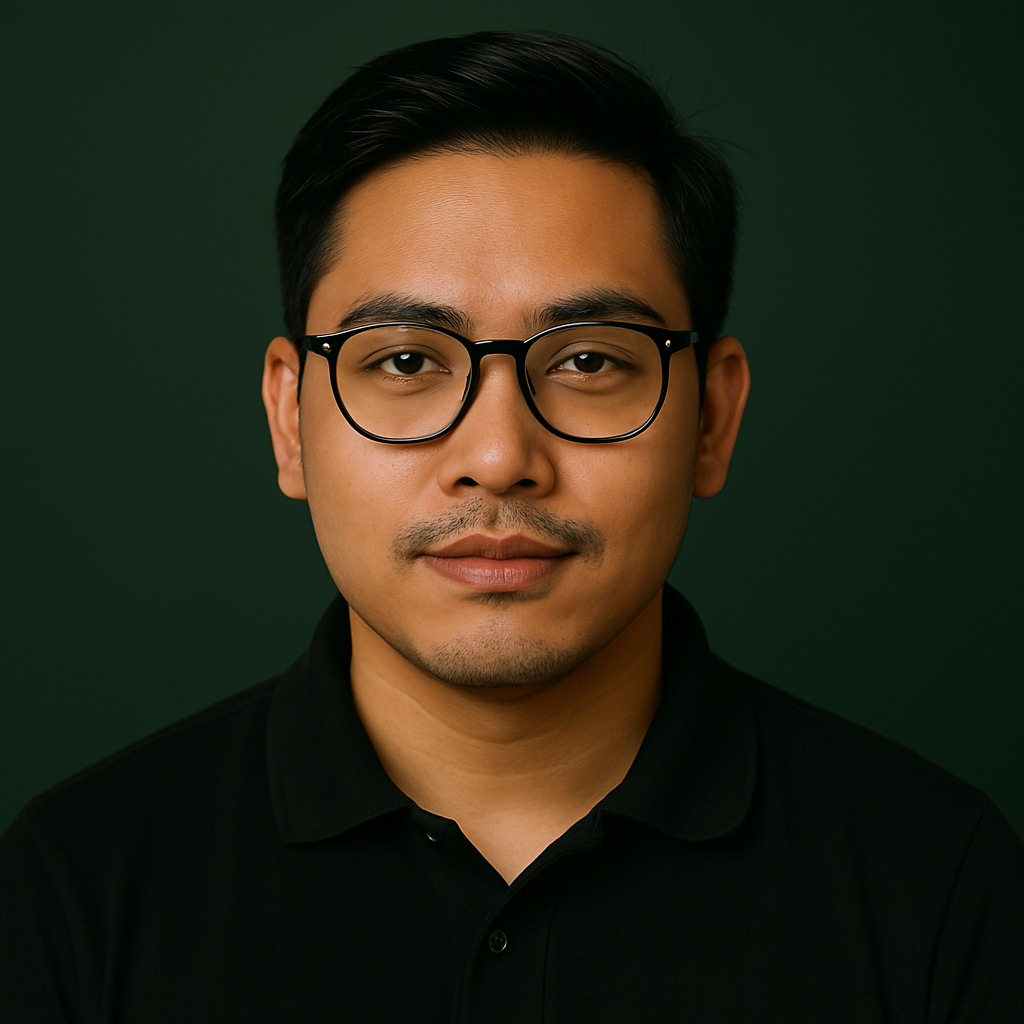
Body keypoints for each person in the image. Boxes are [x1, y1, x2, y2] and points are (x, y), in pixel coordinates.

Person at [1, 29, 1021, 1022]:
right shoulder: (72, 892)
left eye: (589, 360)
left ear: (712, 417)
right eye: (405, 360)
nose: (497, 456)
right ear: (289, 419)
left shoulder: (942, 889)